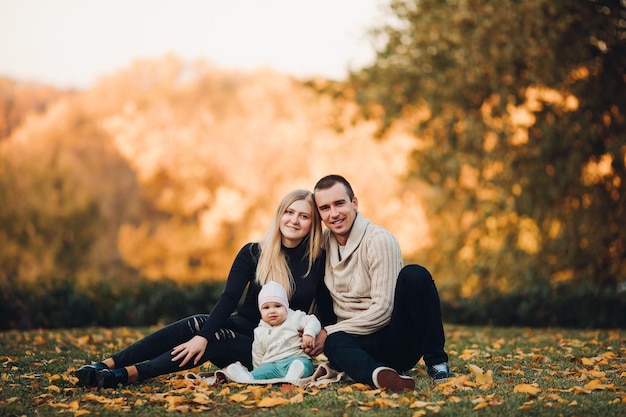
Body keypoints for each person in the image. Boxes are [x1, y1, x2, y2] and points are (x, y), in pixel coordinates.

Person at [74, 189, 329, 389]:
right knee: (198, 324)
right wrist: (202, 335)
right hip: (243, 326)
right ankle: (107, 364)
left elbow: (327, 309)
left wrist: (322, 334)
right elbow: (229, 298)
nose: (294, 220)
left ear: (312, 224)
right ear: (280, 214)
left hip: (273, 347)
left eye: (303, 216)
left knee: (214, 338)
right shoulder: (253, 252)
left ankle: (130, 375)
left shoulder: (318, 261)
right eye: (289, 212)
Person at [305, 174, 453, 392]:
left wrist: (329, 331)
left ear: (354, 203)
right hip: (353, 344)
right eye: (325, 208)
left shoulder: (379, 240)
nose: (334, 213)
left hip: (394, 339)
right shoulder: (322, 244)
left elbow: (384, 310)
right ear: (319, 214)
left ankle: (437, 363)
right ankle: (379, 375)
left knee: (415, 275)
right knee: (334, 343)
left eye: (339, 203)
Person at [224, 281, 321, 382]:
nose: (272, 311)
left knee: (302, 365)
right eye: (266, 308)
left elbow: (312, 320)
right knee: (261, 372)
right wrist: (258, 369)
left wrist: (309, 333)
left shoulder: (295, 317)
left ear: (286, 307)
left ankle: (294, 374)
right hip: (272, 365)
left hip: (295, 358)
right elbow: (258, 354)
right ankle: (247, 377)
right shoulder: (260, 331)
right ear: (260, 311)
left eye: (278, 306)